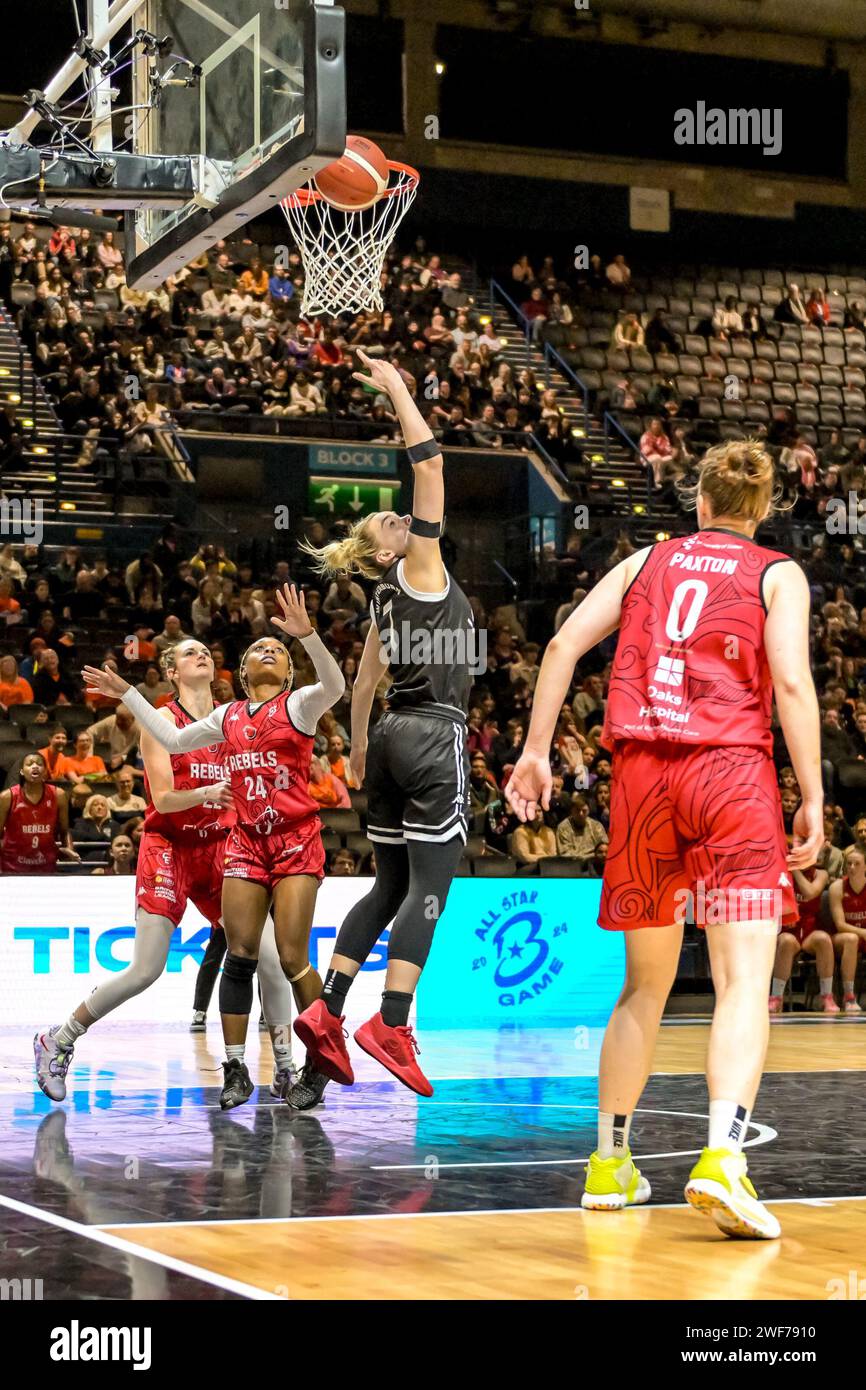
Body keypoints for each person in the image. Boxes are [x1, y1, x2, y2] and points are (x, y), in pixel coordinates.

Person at [505, 438, 823, 1241]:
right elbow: (789, 680)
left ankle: (610, 1163)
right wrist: (813, 793)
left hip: (643, 779)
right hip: (728, 774)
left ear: (700, 501)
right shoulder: (777, 573)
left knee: (643, 985)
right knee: (741, 978)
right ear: (761, 509)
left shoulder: (648, 559)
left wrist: (538, 750)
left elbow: (562, 645)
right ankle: (721, 1158)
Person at [289, 350, 474, 1101]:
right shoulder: (419, 567)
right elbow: (429, 469)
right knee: (433, 884)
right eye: (387, 521)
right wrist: (399, 387)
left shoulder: (379, 604)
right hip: (433, 733)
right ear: (386, 549)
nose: (401, 515)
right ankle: (391, 1021)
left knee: (387, 880)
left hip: (393, 738)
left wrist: (362, 746)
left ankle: (326, 1011)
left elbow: (365, 681)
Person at [80, 589, 345, 1111]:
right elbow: (170, 738)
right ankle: (234, 1068)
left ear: (289, 674)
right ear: (243, 673)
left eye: (278, 650)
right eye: (258, 649)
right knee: (241, 955)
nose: (268, 650)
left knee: (290, 956)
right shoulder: (228, 717)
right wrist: (128, 692)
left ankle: (318, 1061)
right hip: (245, 842)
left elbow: (336, 684)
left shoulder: (300, 703)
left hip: (293, 840)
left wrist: (307, 635)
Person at [34, 640, 298, 1105]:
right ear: (172, 672)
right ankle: (58, 1039)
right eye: (188, 653)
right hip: (169, 848)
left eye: (205, 651)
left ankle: (285, 1068)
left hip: (222, 847)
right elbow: (164, 798)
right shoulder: (160, 722)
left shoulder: (233, 718)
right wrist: (207, 793)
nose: (201, 655)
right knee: (146, 968)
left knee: (272, 959)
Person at [769, 864, 858, 1014]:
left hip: (810, 929)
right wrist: (782, 914)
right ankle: (776, 997)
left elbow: (811, 892)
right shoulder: (780, 872)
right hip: (788, 928)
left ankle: (826, 996)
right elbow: (771, 898)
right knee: (787, 942)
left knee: (823, 939)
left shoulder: (821, 874)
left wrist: (795, 870)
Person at [0, 752, 78, 872]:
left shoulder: (59, 795)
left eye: (39, 764)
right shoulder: (7, 797)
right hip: (12, 866)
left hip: (46, 865)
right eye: (30, 764)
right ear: (21, 771)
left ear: (45, 771)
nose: (35, 766)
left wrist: (69, 849)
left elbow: (64, 831)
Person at [827, 844, 866, 1011]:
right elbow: (840, 925)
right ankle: (849, 997)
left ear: (865, 866)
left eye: (856, 864)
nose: (851, 867)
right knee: (852, 939)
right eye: (849, 863)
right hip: (841, 938)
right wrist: (862, 932)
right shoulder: (837, 887)